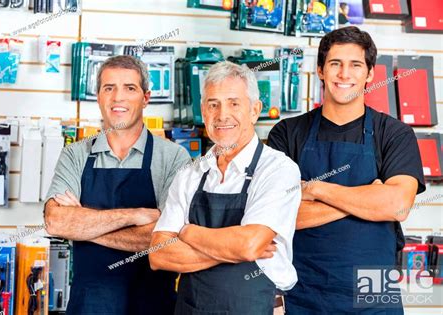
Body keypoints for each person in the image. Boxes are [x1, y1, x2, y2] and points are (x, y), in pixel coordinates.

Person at [268, 26, 425, 314]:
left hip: (373, 289)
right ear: (320, 70)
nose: (344, 74)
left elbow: (397, 206)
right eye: (335, 64)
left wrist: (314, 189)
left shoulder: (394, 134)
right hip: (303, 288)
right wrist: (368, 200)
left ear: (370, 74)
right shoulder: (287, 133)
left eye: (355, 65)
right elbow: (278, 214)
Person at [149, 61, 301, 315]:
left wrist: (187, 233)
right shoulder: (190, 174)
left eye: (234, 103)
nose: (222, 115)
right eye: (213, 104)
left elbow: (250, 244)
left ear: (254, 110)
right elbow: (159, 255)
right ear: (203, 111)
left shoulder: (277, 170)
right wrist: (236, 249)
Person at [44, 55, 191, 314]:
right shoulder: (75, 154)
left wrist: (82, 227)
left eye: (129, 88)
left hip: (153, 306)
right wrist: (135, 215)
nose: (118, 98)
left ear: (146, 98)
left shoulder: (173, 157)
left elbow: (165, 238)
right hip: (88, 306)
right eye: (109, 88)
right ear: (98, 96)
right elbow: (56, 222)